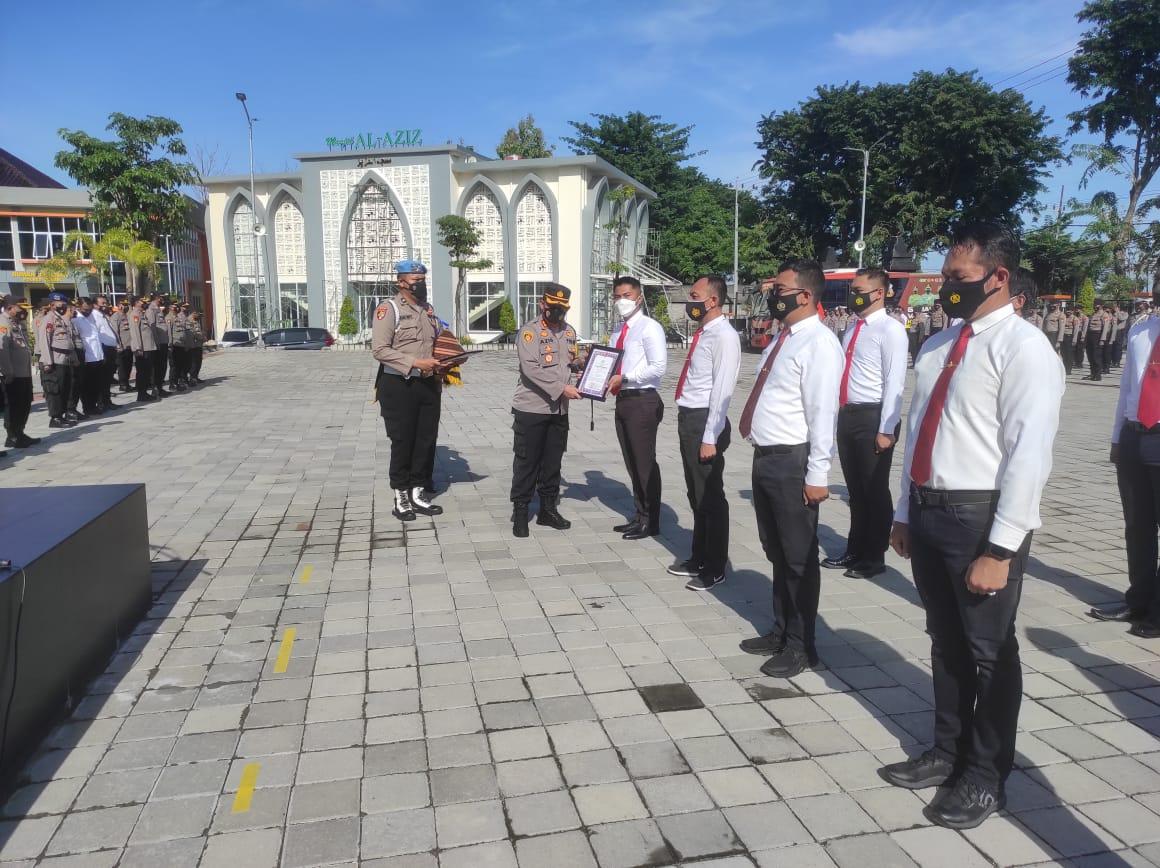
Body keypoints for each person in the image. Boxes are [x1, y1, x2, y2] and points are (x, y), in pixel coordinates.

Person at [881, 222, 1063, 830]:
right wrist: (904, 512)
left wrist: (1002, 548)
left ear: (999, 277)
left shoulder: (1024, 348)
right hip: (931, 509)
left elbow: (1028, 456)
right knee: (945, 641)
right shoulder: (937, 346)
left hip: (981, 515)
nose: (946, 291)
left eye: (958, 280)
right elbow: (917, 435)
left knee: (988, 652)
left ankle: (986, 776)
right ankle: (947, 749)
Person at [737, 260, 843, 678]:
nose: (771, 293)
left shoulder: (818, 343)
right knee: (776, 550)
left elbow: (822, 414)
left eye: (779, 288)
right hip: (766, 457)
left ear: (804, 295)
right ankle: (781, 629)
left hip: (793, 461)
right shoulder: (784, 339)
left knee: (799, 557)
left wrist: (818, 475)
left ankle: (803, 646)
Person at [824, 267, 909, 580]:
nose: (853, 294)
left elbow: (895, 381)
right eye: (852, 288)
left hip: (874, 416)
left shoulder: (890, 329)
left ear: (878, 293)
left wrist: (886, 428)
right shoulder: (853, 327)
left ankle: (874, 557)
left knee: (874, 491)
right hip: (849, 414)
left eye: (859, 289)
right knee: (856, 491)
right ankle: (854, 550)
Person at [1092, 294, 1160, 639]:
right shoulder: (1141, 330)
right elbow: (1127, 388)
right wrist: (1118, 437)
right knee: (1137, 526)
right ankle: (1139, 599)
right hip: (1136, 435)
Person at [670, 275, 741, 591]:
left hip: (705, 422)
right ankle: (699, 555)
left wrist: (711, 436)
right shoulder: (704, 333)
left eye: (695, 295)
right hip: (690, 419)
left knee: (711, 496)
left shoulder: (724, 336)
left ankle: (715, 565)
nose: (691, 301)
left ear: (712, 300)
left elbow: (723, 389)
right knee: (695, 493)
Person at [371, 260, 446, 522]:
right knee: (403, 440)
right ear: (401, 282)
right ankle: (400, 494)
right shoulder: (388, 309)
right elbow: (379, 350)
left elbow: (436, 342)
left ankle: (417, 491)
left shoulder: (428, 310)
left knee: (426, 439)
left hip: (427, 383)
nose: (421, 283)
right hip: (398, 385)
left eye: (423, 278)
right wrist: (414, 363)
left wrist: (449, 359)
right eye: (415, 279)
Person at [509, 283, 582, 538]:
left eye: (562, 309)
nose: (557, 313)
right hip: (532, 408)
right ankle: (520, 512)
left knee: (553, 462)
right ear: (542, 304)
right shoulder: (529, 333)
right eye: (552, 308)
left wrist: (583, 367)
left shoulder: (569, 332)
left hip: (559, 411)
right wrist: (562, 388)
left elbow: (570, 362)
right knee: (527, 461)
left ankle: (548, 510)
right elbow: (531, 370)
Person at [608, 276, 667, 539]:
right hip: (623, 400)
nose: (622, 301)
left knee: (644, 463)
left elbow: (658, 367)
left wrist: (626, 378)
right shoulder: (617, 332)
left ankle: (650, 520)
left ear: (639, 297)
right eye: (617, 296)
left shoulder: (649, 328)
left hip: (642, 399)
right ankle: (639, 514)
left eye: (627, 296)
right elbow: (609, 366)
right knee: (632, 462)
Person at [0, 296, 39, 449]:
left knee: (24, 404)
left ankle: (20, 432)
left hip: (24, 372)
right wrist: (8, 372)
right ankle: (13, 435)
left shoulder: (16, 323)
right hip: (13, 373)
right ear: (10, 307)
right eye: (19, 307)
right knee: (14, 405)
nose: (22, 310)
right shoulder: (3, 323)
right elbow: (3, 351)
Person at [36, 292, 77, 428]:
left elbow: (69, 341)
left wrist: (74, 358)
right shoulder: (49, 319)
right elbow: (44, 341)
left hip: (65, 359)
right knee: (55, 390)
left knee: (65, 388)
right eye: (60, 305)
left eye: (64, 305)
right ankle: (55, 418)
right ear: (52, 305)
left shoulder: (61, 319)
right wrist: (48, 361)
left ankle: (62, 415)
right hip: (54, 359)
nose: (63, 307)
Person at [73, 298, 106, 416]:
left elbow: (96, 336)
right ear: (79, 307)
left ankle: (93, 405)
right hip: (86, 356)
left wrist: (101, 354)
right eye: (85, 309)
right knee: (86, 385)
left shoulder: (91, 317)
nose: (88, 311)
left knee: (96, 383)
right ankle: (87, 407)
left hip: (97, 354)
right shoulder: (75, 319)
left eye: (90, 309)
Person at [128, 296, 157, 402]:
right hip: (142, 348)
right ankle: (141, 394)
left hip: (148, 347)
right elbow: (135, 332)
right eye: (141, 301)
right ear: (136, 303)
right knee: (142, 372)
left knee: (147, 371)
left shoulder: (142, 313)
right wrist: (138, 347)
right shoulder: (135, 314)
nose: (144, 302)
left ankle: (144, 393)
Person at [148, 294, 171, 397]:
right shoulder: (151, 310)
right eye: (160, 297)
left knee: (162, 366)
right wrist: (156, 342)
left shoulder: (158, 309)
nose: (162, 299)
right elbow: (152, 328)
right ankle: (156, 388)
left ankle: (160, 386)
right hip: (158, 343)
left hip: (163, 342)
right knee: (157, 367)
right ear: (156, 298)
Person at [109, 299, 133, 392]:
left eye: (127, 305)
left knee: (128, 366)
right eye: (123, 304)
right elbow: (115, 332)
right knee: (122, 367)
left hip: (129, 345)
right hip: (121, 346)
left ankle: (126, 383)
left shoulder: (127, 316)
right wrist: (118, 345)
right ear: (119, 305)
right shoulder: (116, 316)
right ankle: (123, 384)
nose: (125, 306)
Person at [1085, 304, 1111, 381]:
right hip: (1090, 335)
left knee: (1096, 356)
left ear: (1101, 306)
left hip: (1098, 335)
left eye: (1096, 305)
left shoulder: (1104, 314)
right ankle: (1092, 373)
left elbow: (1105, 327)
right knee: (1090, 356)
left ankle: (1098, 375)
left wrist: (1102, 339)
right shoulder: (1093, 314)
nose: (1094, 306)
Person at [187, 311, 205, 384]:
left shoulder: (196, 320)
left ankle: (196, 377)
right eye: (199, 315)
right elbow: (193, 333)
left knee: (198, 362)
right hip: (193, 345)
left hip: (198, 345)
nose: (200, 317)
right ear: (194, 313)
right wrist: (201, 337)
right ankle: (192, 378)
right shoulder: (189, 321)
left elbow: (198, 331)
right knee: (193, 363)